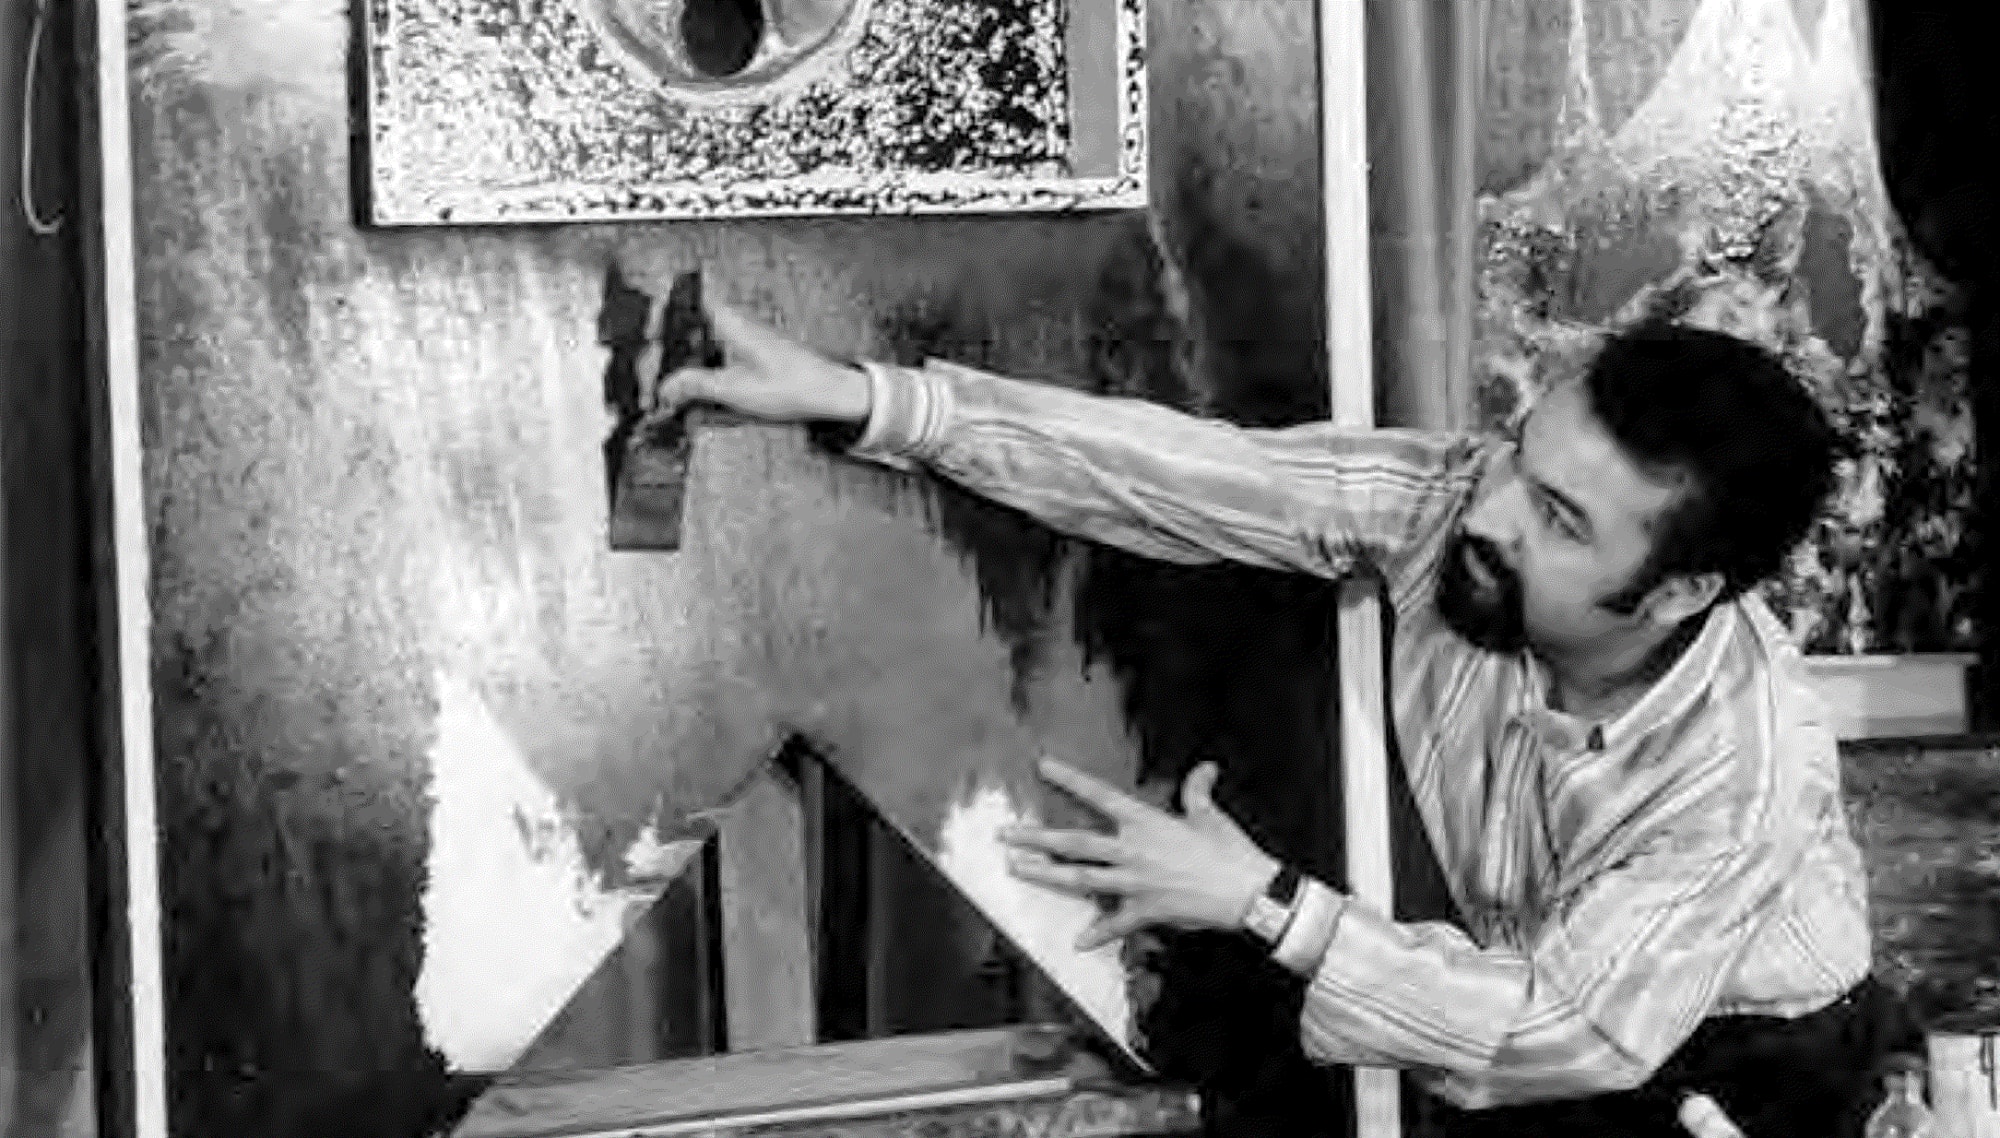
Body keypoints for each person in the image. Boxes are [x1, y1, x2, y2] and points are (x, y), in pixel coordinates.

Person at [653, 303, 1922, 1137]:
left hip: (1731, 1067)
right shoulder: (1453, 504)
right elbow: (1197, 474)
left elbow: (1563, 1029)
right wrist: (867, 400)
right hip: (1523, 1001)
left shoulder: (1738, 775)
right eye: (1516, 459)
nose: (1487, 515)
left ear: (1681, 590)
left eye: (1559, 522)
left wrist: (1262, 902)